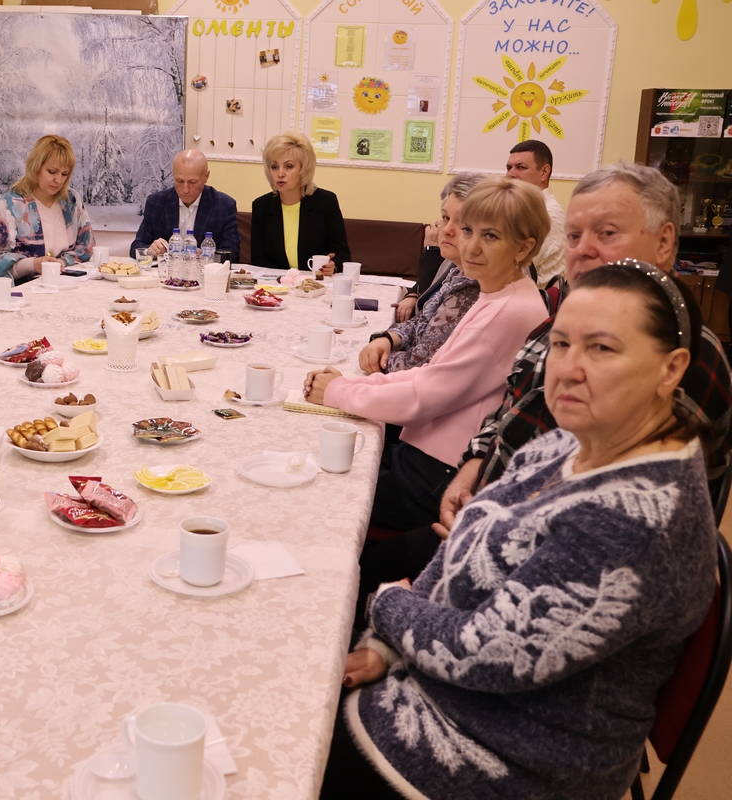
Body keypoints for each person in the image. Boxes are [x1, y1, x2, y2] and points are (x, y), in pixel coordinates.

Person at [324, 263, 718, 800]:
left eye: (602, 348)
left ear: (671, 370)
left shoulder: (638, 520)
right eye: (561, 344)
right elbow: (464, 544)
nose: (569, 368)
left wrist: (389, 604)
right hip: (438, 691)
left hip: (504, 760)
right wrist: (386, 646)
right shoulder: (575, 440)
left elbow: (483, 653)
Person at [355, 162, 732, 629]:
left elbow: (611, 521)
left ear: (665, 242)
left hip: (544, 565)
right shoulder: (566, 322)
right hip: (487, 509)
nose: (584, 249)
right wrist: (475, 462)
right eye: (574, 236)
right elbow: (507, 408)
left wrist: (483, 529)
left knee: (358, 572)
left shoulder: (679, 354)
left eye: (607, 233)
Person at [304, 177, 549, 531]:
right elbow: (430, 373)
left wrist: (338, 392)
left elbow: (424, 396)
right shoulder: (500, 292)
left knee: (321, 500)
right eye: (468, 230)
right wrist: (352, 386)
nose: (471, 247)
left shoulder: (508, 310)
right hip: (430, 453)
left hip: (439, 471)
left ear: (524, 248)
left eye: (491, 236)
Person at [358, 173, 485, 375]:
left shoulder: (473, 286)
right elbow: (424, 319)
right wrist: (389, 338)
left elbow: (422, 364)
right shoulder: (458, 270)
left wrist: (377, 358)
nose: (447, 230)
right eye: (445, 218)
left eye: (462, 224)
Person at [0, 134, 94, 283]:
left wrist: (61, 263)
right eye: (52, 172)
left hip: (63, 285)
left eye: (64, 174)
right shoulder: (10, 206)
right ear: (35, 167)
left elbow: (86, 247)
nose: (58, 180)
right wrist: (32, 265)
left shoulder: (71, 201)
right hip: (21, 290)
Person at [251, 133, 351, 275]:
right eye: (274, 167)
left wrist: (333, 265)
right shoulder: (261, 206)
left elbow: (343, 254)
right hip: (277, 283)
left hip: (315, 283)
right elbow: (258, 260)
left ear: (303, 169)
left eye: (289, 166)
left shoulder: (326, 202)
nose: (280, 173)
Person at [130, 149, 240, 260]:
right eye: (179, 181)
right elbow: (136, 247)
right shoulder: (156, 203)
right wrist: (150, 251)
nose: (185, 190)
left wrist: (204, 256)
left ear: (206, 176)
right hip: (166, 270)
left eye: (192, 182)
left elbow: (232, 254)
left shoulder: (224, 206)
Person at [505, 139, 567, 288]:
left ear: (544, 172)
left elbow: (508, 269)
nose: (511, 174)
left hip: (533, 298)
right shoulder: (527, 210)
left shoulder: (545, 215)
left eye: (521, 167)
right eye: (509, 167)